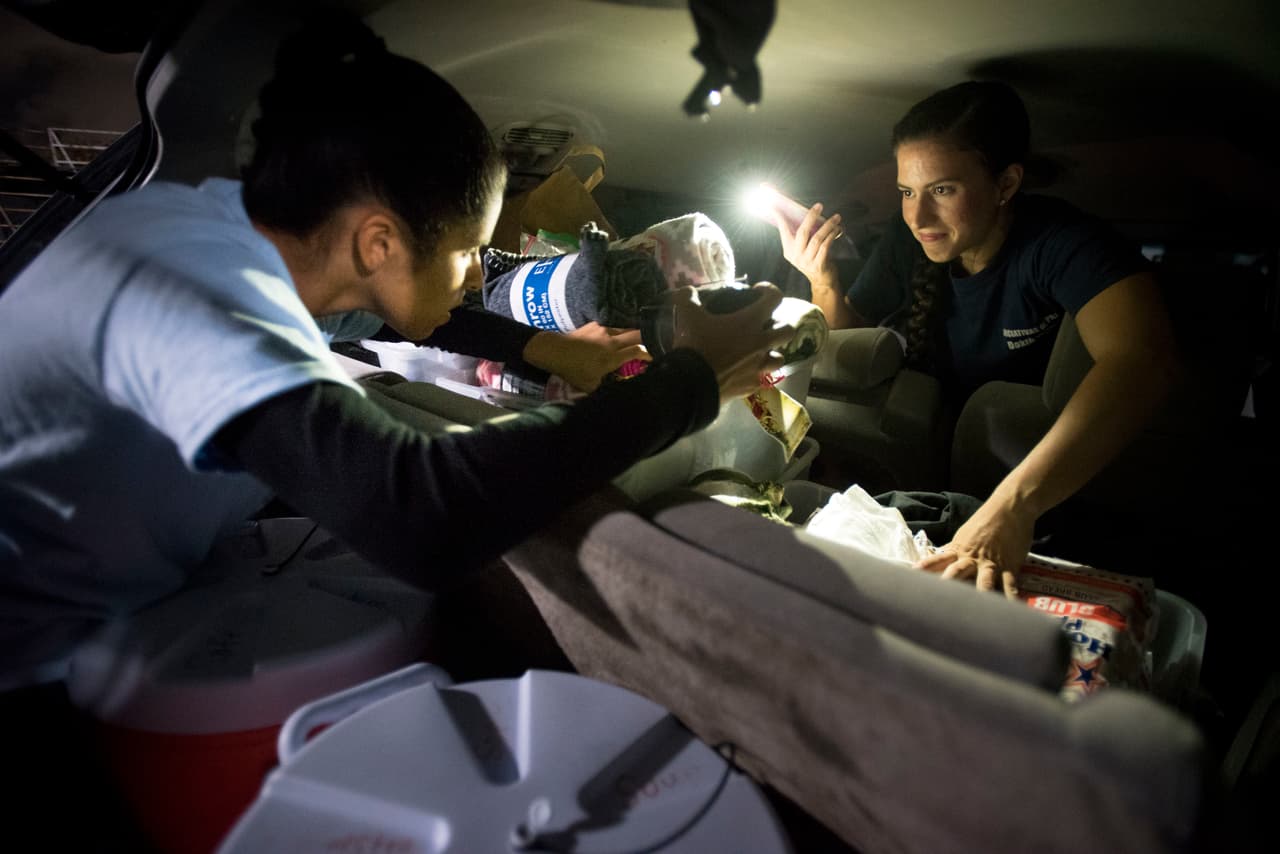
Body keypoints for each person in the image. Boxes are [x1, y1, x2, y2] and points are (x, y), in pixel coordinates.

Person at [0, 14, 792, 693]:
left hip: (116, 632)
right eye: (468, 253)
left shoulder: (241, 242)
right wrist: (691, 380)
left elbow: (416, 321)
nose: (479, 275)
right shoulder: (191, 289)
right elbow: (417, 512)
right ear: (379, 240)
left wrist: (545, 347)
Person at [772, 80, 1179, 596]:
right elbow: (857, 354)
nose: (918, 217)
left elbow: (1143, 361)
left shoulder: (1061, 244)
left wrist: (1014, 506)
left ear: (1005, 184)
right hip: (939, 467)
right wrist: (823, 280)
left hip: (1039, 481)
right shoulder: (907, 242)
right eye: (907, 192)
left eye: (942, 190)